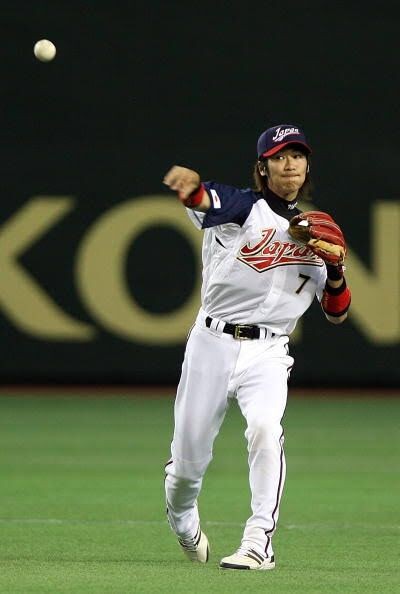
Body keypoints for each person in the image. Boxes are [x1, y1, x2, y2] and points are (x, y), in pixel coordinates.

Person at [162, 124, 351, 571]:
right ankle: (182, 517)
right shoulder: (245, 208)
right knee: (187, 468)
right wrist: (190, 188)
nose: (290, 165)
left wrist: (336, 268)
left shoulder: (316, 230)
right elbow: (204, 199)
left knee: (266, 429)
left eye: (298, 156)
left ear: (307, 166)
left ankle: (257, 543)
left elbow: (338, 311)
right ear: (263, 167)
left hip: (268, 351)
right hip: (211, 342)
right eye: (280, 157)